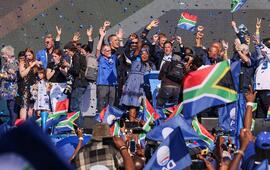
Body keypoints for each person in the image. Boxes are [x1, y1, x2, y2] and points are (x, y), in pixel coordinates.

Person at [120, 47, 155, 122]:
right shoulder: (135, 60)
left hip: (143, 87)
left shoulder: (149, 65)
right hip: (133, 85)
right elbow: (134, 53)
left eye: (146, 54)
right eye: (142, 54)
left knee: (142, 107)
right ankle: (131, 124)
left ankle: (138, 125)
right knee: (133, 105)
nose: (144, 55)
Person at [95, 26, 119, 112]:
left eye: (109, 50)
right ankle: (101, 121)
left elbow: (118, 48)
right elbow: (98, 49)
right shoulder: (101, 58)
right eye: (106, 50)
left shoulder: (113, 57)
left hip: (112, 84)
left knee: (111, 104)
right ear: (103, 52)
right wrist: (101, 36)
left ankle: (109, 121)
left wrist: (119, 38)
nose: (109, 52)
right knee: (101, 104)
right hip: (103, 84)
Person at [64, 42, 88, 127]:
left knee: (75, 107)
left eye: (66, 51)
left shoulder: (75, 56)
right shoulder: (79, 55)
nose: (66, 53)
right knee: (76, 106)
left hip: (79, 84)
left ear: (71, 50)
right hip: (82, 84)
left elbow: (76, 71)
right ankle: (79, 127)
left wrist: (68, 66)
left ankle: (79, 128)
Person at [19, 48, 41, 120]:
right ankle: (22, 126)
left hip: (33, 88)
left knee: (31, 108)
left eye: (29, 55)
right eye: (26, 55)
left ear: (32, 55)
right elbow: (22, 74)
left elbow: (40, 75)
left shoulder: (36, 63)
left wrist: (39, 66)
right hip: (25, 87)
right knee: (24, 106)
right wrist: (31, 66)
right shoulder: (22, 63)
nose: (28, 57)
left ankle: (30, 125)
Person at [0, 45, 18, 125]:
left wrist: (2, 75)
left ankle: (13, 126)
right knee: (10, 108)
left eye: (3, 54)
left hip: (12, 91)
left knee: (12, 108)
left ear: (8, 54)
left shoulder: (12, 63)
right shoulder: (6, 63)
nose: (2, 56)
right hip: (7, 91)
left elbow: (13, 77)